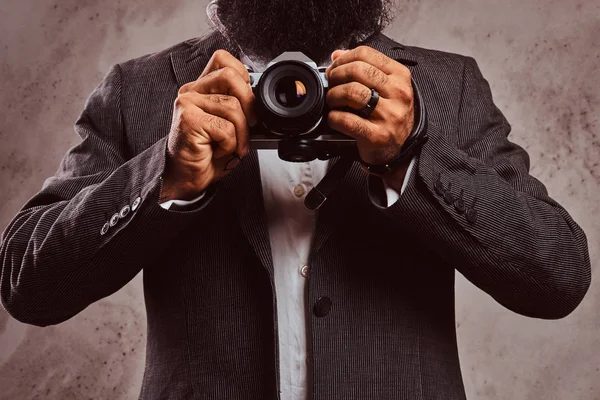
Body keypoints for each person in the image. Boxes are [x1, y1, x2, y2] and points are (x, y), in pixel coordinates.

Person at [0, 0, 591, 399]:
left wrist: (413, 159)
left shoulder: (443, 86)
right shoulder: (144, 90)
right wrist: (164, 174)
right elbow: (27, 285)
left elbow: (558, 276)